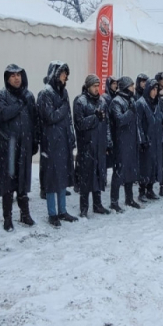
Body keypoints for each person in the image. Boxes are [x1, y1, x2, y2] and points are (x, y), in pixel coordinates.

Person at [0, 64, 38, 231]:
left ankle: (25, 214)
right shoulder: (1, 95)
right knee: (8, 183)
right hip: (8, 146)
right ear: (7, 78)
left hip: (25, 145)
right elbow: (4, 114)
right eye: (12, 75)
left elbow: (34, 120)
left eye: (18, 75)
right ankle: (7, 217)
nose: (16, 78)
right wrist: (20, 103)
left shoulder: (29, 95)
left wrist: (35, 140)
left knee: (23, 181)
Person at [37, 61, 78, 227]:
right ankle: (52, 213)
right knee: (51, 179)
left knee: (62, 177)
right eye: (62, 73)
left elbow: (68, 118)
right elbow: (50, 116)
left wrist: (71, 135)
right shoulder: (45, 93)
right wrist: (63, 108)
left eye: (66, 74)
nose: (65, 76)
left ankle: (62, 211)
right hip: (51, 142)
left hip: (63, 141)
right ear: (55, 73)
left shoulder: (64, 92)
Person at [73, 75, 111, 217]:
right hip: (86, 146)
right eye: (94, 86)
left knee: (99, 174)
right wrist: (94, 117)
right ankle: (84, 207)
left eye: (98, 85)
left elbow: (106, 124)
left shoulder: (102, 101)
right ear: (88, 86)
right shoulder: (80, 101)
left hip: (100, 145)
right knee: (86, 177)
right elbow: (79, 124)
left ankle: (97, 204)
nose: (97, 88)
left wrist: (108, 142)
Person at [110, 76, 141, 209]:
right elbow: (120, 120)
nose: (133, 87)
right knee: (119, 172)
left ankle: (129, 198)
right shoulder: (116, 102)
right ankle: (114, 201)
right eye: (131, 85)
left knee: (130, 170)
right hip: (121, 142)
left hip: (131, 141)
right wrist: (130, 111)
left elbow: (136, 122)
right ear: (124, 87)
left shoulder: (132, 100)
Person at [136, 78, 163, 200]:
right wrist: (142, 139)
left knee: (154, 165)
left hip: (156, 140)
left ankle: (150, 189)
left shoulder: (157, 104)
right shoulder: (141, 103)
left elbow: (160, 120)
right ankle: (142, 190)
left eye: (156, 89)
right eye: (152, 89)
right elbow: (138, 123)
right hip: (147, 141)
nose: (154, 92)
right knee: (145, 166)